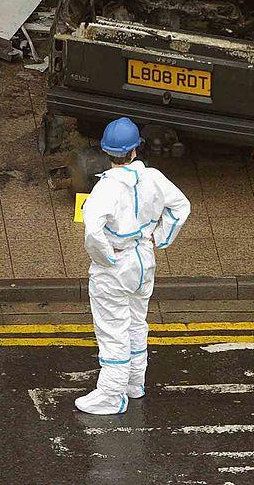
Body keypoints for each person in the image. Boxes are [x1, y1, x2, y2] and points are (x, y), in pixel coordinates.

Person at [76, 117, 191, 415]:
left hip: (116, 263)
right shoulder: (153, 177)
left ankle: (111, 395)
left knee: (112, 328)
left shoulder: (105, 189)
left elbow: (92, 231)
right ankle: (134, 383)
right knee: (137, 322)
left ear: (106, 151)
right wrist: (162, 237)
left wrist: (104, 257)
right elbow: (181, 206)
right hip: (143, 259)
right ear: (135, 149)